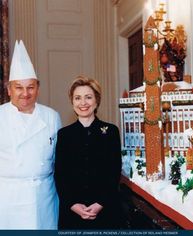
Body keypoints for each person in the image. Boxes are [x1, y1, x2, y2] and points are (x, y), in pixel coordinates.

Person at [0, 40, 61, 229]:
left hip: (44, 196)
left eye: (31, 87)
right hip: (8, 198)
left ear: (38, 88)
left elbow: (61, 159)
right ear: (9, 89)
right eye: (19, 87)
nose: (25, 93)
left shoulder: (52, 116)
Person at [54, 75, 123, 229]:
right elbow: (60, 174)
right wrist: (72, 204)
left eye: (88, 97)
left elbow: (114, 171)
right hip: (72, 213)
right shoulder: (64, 135)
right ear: (72, 102)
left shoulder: (111, 131)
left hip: (106, 210)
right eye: (77, 98)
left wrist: (100, 203)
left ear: (96, 101)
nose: (83, 103)